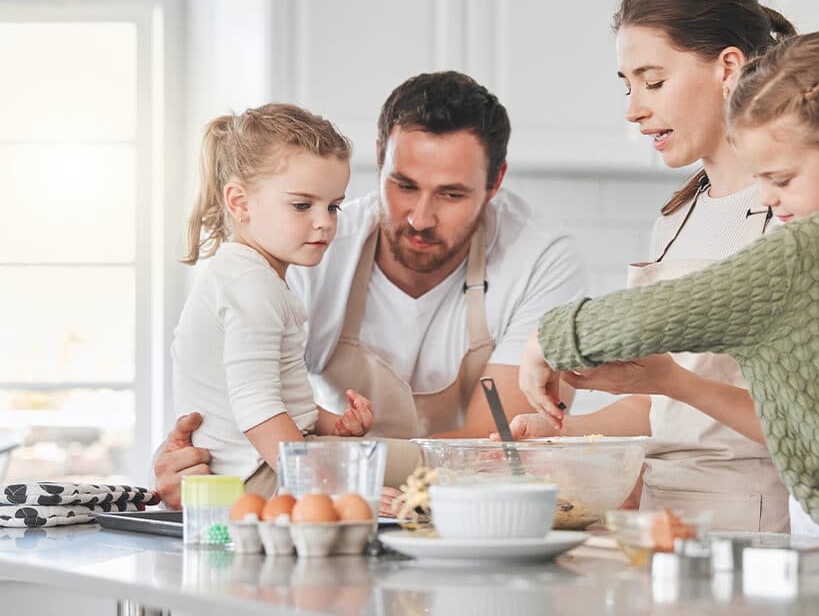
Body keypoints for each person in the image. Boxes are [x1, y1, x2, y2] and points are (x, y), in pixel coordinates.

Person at [520, 31, 819, 544]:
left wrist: (549, 339)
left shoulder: (816, 243)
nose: (767, 198)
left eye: (783, 179)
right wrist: (675, 381)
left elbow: (652, 315)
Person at [154, 72, 586, 509]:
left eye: (451, 194)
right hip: (322, 486)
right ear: (379, 159)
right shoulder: (307, 247)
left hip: (469, 501)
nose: (420, 217)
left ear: (495, 183)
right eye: (404, 185)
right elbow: (251, 404)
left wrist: (336, 441)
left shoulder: (539, 256)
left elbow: (495, 444)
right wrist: (191, 466)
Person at [501, 0, 794, 532]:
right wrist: (567, 435)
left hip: (749, 523)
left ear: (728, 67)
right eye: (629, 85)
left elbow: (805, 427)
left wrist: (565, 338)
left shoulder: (792, 211)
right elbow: (660, 402)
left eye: (653, 82)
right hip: (660, 522)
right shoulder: (676, 219)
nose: (634, 109)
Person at [172, 103, 375, 481]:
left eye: (333, 207)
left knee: (392, 465)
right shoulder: (251, 285)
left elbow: (278, 401)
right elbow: (256, 406)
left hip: (261, 464)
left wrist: (334, 424)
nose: (324, 223)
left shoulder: (251, 276)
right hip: (255, 474)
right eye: (302, 205)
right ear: (240, 202)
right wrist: (320, 489)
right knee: (413, 465)